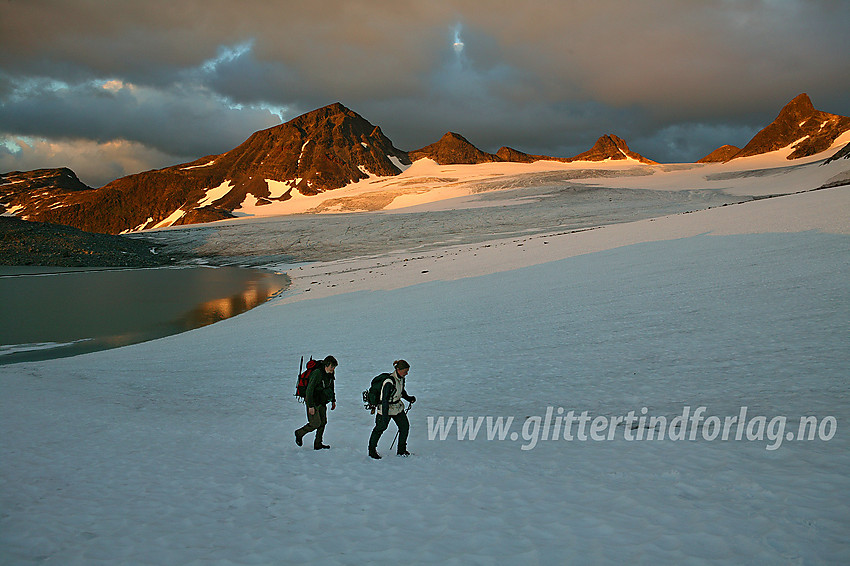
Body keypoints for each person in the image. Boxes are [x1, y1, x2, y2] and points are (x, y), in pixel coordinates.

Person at [368, 359, 416, 459]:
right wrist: (385, 416)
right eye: (405, 371)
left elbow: (401, 391)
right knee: (380, 428)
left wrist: (409, 398)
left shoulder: (401, 378)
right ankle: (372, 451)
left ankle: (401, 450)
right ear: (398, 369)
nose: (406, 373)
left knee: (404, 427)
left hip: (397, 407)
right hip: (385, 408)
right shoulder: (389, 382)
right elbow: (384, 399)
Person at [295, 355, 338, 450]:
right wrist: (310, 406)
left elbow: (331, 386)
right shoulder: (317, 373)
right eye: (332, 367)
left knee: (323, 422)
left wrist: (333, 400)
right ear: (326, 365)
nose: (333, 369)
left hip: (322, 400)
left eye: (334, 367)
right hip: (313, 401)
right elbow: (309, 390)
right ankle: (299, 433)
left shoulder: (330, 373)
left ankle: (318, 443)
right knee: (315, 423)